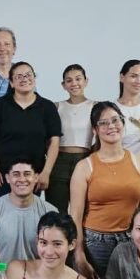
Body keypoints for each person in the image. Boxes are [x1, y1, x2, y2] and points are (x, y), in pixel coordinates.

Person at [69, 101, 140, 279]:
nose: (111, 126)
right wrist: (78, 253)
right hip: (95, 243)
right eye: (103, 123)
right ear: (95, 130)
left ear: (123, 123)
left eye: (115, 120)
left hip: (131, 240)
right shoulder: (84, 166)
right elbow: (75, 215)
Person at [0, 61, 61, 200]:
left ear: (34, 78)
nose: (25, 78)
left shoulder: (47, 107)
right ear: (11, 83)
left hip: (31, 176)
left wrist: (46, 172)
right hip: (0, 174)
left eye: (28, 75)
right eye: (19, 76)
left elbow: (54, 141)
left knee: (27, 216)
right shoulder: (0, 105)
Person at [0, 158, 57, 279]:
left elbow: (54, 257)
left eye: (27, 174)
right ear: (8, 178)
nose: (22, 179)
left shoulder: (50, 212)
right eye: (16, 174)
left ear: (36, 177)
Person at [7, 212, 91, 279]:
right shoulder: (17, 270)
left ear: (72, 244)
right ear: (37, 241)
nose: (49, 252)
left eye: (57, 244)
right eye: (43, 242)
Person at [50, 64, 95, 214]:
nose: (74, 83)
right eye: (69, 80)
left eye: (78, 79)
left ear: (86, 81)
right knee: (57, 209)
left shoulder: (95, 106)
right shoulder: (56, 107)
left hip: (85, 159)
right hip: (59, 161)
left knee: (84, 209)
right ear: (63, 85)